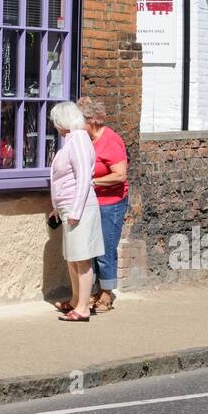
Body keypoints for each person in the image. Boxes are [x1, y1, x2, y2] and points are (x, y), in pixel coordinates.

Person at [47, 100, 104, 323]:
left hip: (78, 208)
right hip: (68, 207)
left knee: (82, 259)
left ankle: (83, 308)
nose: (55, 126)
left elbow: (83, 178)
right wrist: (56, 207)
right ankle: (75, 300)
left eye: (55, 121)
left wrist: (76, 211)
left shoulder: (79, 140)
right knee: (73, 258)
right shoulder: (72, 140)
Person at [77, 95, 129, 314]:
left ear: (92, 120)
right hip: (93, 201)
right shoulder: (86, 140)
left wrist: (93, 181)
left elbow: (120, 175)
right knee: (92, 248)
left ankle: (106, 294)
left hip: (111, 203)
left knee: (105, 249)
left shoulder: (111, 140)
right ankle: (94, 291)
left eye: (80, 120)